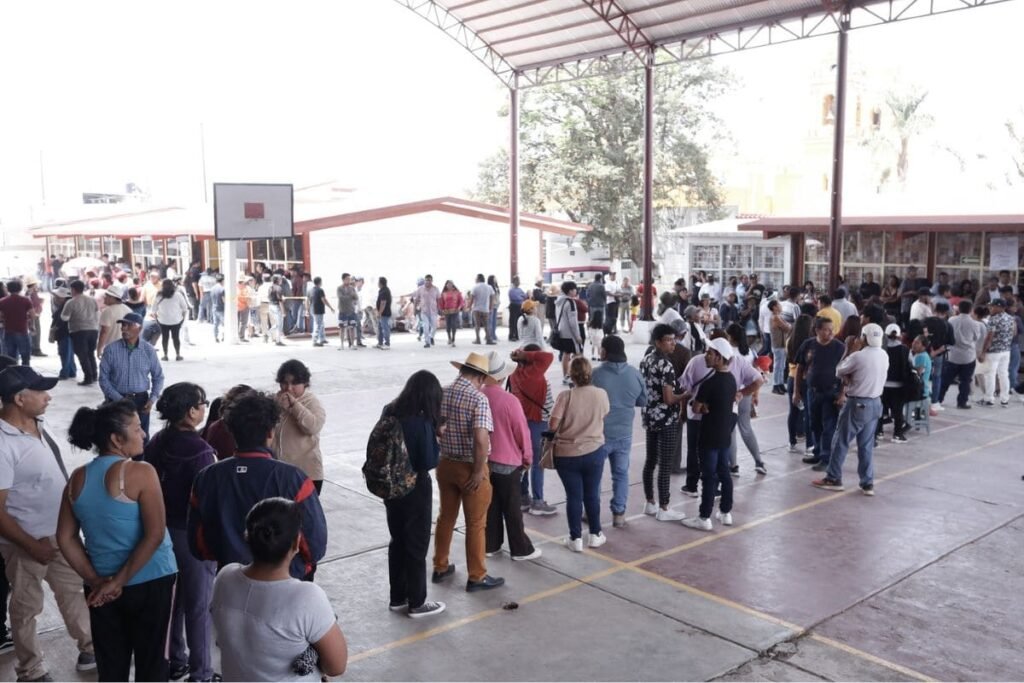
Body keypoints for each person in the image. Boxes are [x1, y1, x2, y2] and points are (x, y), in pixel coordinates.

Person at [57, 400, 177, 681]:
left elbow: (65, 537)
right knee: (153, 662)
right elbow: (155, 533)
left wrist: (97, 580)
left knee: (111, 664)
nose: (144, 434)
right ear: (116, 438)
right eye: (137, 428)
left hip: (101, 587)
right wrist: (118, 582)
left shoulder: (77, 478)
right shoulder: (141, 472)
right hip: (151, 580)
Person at [0, 367, 96, 681]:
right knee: (26, 607)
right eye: (41, 392)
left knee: (72, 593)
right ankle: (31, 669)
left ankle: (89, 647)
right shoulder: (2, 444)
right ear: (19, 398)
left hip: (60, 536)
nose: (49, 397)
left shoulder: (38, 425)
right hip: (26, 541)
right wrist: (31, 545)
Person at [188, 392, 328, 581]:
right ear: (271, 432)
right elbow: (315, 546)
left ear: (232, 432)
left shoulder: (207, 478)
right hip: (284, 580)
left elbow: (199, 545)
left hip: (232, 581)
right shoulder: (294, 479)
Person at [210, 498, 347, 681]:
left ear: (247, 537)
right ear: (296, 543)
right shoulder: (306, 597)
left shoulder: (224, 578)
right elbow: (336, 666)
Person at [142, 383, 217, 682]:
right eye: (202, 404)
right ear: (190, 412)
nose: (204, 409)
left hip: (160, 534)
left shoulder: (158, 441)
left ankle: (176, 659)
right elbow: (209, 502)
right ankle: (202, 673)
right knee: (198, 607)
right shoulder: (201, 452)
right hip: (191, 536)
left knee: (174, 602)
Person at [432, 353, 505, 592]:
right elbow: (481, 440)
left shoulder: (442, 392)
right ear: (481, 377)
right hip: (469, 467)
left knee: (446, 517)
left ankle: (440, 566)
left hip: (445, 464)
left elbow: (436, 428)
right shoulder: (478, 399)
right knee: (475, 523)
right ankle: (477, 576)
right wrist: (477, 472)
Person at [380, 371, 446, 618]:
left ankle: (397, 597)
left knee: (397, 541)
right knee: (417, 545)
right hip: (414, 489)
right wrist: (436, 439)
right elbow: (427, 461)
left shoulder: (390, 410)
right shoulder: (420, 422)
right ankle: (418, 602)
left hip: (390, 487)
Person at [814, 324, 889, 495]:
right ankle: (867, 483)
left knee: (840, 441)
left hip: (857, 403)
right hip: (875, 403)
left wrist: (849, 349)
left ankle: (833, 478)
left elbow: (839, 369)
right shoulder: (884, 355)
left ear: (863, 338)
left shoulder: (858, 356)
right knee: (866, 445)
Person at [480, 353, 540, 561]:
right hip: (508, 463)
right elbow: (521, 433)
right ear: (502, 377)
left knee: (491, 506)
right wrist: (528, 458)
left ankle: (491, 544)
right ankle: (521, 549)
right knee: (512, 508)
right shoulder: (509, 401)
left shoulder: (477, 395)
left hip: (484, 462)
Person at [550, 357, 609, 551]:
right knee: (592, 494)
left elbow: (552, 425)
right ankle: (595, 534)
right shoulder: (601, 394)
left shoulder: (565, 396)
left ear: (571, 374)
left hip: (566, 453)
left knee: (573, 496)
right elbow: (604, 414)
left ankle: (575, 539)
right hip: (594, 450)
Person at [681, 338, 738, 532]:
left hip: (708, 434)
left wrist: (704, 406)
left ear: (720, 358)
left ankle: (704, 516)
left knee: (708, 476)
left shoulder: (710, 383)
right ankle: (725, 511)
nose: (706, 356)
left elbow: (696, 408)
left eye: (710, 353)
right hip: (724, 435)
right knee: (724, 472)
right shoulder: (731, 380)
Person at [591, 336, 646, 527]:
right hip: (624, 433)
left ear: (605, 352)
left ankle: (591, 513)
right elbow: (643, 401)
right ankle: (619, 514)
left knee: (594, 476)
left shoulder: (595, 375)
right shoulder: (634, 374)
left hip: (599, 434)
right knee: (621, 473)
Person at [639, 324, 688, 521]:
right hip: (666, 418)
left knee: (650, 460)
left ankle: (650, 502)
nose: (673, 343)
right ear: (658, 342)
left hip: (650, 415)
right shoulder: (665, 365)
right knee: (665, 464)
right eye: (668, 340)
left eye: (674, 339)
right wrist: (685, 394)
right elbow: (669, 398)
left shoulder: (646, 360)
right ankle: (665, 508)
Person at [99, 313, 164, 441]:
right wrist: (119, 399)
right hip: (116, 400)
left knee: (141, 438)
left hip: (141, 401)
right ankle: (120, 461)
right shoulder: (111, 350)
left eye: (128, 325)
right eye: (123, 325)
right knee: (117, 438)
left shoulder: (148, 350)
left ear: (139, 329)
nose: (124, 328)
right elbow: (103, 379)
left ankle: (139, 461)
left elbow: (158, 377)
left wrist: (152, 399)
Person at [509, 345, 557, 516]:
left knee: (523, 462)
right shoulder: (535, 374)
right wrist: (525, 354)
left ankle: (523, 497)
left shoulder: (514, 376)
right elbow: (548, 356)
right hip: (537, 423)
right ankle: (538, 501)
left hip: (519, 424)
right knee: (538, 463)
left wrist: (522, 355)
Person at [793, 316, 845, 471]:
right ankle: (817, 451)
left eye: (832, 330)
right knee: (813, 423)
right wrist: (796, 391)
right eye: (826, 330)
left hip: (831, 393)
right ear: (817, 330)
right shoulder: (808, 345)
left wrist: (842, 393)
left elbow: (846, 373)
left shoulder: (839, 347)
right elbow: (800, 368)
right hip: (812, 392)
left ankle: (826, 457)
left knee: (829, 426)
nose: (830, 333)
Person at [273, 360, 327, 494]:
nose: (288, 388)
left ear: (305, 383)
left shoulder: (312, 402)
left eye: (294, 383)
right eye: (284, 383)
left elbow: (313, 427)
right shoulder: (275, 400)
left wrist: (294, 406)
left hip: (306, 474)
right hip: (279, 472)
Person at [724, 323, 767, 476]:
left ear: (731, 337)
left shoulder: (727, 352)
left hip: (730, 394)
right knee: (746, 428)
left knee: (730, 431)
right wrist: (755, 394)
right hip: (746, 393)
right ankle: (759, 461)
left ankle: (733, 465)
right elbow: (757, 374)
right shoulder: (750, 352)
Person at [940, 300, 986, 409]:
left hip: (952, 355)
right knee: (965, 381)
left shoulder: (951, 320)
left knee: (946, 379)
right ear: (971, 310)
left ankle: (938, 399)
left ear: (959, 309)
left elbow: (948, 334)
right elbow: (976, 338)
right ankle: (962, 402)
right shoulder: (976, 324)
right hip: (968, 356)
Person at [877, 324, 912, 443]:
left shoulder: (881, 349)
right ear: (899, 336)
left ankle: (879, 432)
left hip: (882, 385)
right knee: (897, 411)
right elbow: (910, 365)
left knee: (881, 409)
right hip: (899, 386)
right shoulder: (905, 350)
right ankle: (897, 434)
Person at [61, 280, 100, 386]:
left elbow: (64, 318)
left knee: (82, 355)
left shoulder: (71, 302)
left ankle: (88, 378)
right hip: (93, 330)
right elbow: (97, 313)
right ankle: (94, 375)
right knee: (90, 354)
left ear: (73, 289)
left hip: (78, 331)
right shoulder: (92, 300)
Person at [978, 298, 1015, 407]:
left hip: (993, 352)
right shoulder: (1010, 318)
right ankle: (1005, 399)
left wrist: (983, 352)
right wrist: (1005, 342)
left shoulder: (993, 319)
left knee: (990, 374)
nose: (990, 308)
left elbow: (989, 337)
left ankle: (989, 399)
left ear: (1000, 307)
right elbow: (1014, 332)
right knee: (1004, 374)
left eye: (993, 306)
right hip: (1006, 351)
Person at [552, 281, 584, 384]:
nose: (576, 291)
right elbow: (573, 322)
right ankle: (574, 376)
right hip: (571, 335)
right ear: (570, 291)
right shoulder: (570, 302)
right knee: (578, 355)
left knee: (566, 354)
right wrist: (577, 336)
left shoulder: (559, 302)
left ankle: (566, 376)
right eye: (575, 289)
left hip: (562, 332)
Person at [0, 280, 37, 366]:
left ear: (8, 289)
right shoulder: (25, 300)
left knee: (11, 358)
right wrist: (32, 325)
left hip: (8, 331)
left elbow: (0, 316)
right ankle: (26, 375)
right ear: (20, 289)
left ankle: (14, 376)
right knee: (25, 357)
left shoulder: (2, 301)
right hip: (22, 330)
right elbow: (33, 315)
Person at [152, 278, 189, 362]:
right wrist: (182, 318)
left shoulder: (158, 295)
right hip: (176, 320)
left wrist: (157, 319)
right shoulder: (178, 295)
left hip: (162, 320)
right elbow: (184, 308)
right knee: (176, 337)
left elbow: (153, 310)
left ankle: (165, 355)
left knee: (165, 338)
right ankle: (178, 355)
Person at [96, 284, 131, 358]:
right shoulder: (128, 310)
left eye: (106, 296)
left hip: (111, 348)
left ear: (111, 298)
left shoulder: (108, 311)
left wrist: (99, 350)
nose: (104, 298)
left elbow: (104, 332)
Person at [769, 300, 791, 394]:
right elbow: (787, 328)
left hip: (781, 343)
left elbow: (787, 326)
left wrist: (788, 325)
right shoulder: (775, 317)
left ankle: (780, 383)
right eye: (779, 305)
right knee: (778, 365)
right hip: (778, 344)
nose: (781, 307)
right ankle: (776, 385)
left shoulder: (778, 317)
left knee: (782, 365)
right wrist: (788, 325)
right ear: (774, 307)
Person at [414, 275, 442, 348]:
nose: (427, 281)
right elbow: (416, 299)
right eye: (426, 280)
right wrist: (415, 309)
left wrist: (440, 309)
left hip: (433, 311)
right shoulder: (420, 289)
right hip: (424, 311)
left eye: (429, 280)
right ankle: (427, 342)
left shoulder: (435, 289)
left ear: (432, 281)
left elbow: (439, 299)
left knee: (434, 326)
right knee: (425, 327)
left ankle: (431, 336)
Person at [468, 274, 495, 345]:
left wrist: (469, 307)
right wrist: (491, 307)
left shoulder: (475, 287)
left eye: (476, 278)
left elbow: (471, 299)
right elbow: (492, 298)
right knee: (486, 325)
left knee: (477, 325)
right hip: (485, 309)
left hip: (476, 309)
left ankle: (478, 339)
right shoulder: (489, 287)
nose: (475, 280)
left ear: (478, 279)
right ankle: (488, 339)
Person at [337, 273, 360, 351]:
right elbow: (341, 298)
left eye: (349, 279)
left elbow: (356, 297)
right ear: (343, 279)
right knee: (342, 328)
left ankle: (352, 344)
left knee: (352, 328)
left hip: (351, 310)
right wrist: (350, 296)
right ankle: (341, 344)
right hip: (342, 310)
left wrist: (352, 295)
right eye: (347, 279)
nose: (349, 280)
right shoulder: (339, 288)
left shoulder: (352, 288)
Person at [308, 276, 333, 347]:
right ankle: (315, 340)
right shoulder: (320, 290)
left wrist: (307, 310)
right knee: (318, 325)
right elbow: (324, 300)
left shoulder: (310, 290)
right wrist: (330, 307)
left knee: (321, 323)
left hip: (313, 309)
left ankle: (322, 338)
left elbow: (308, 301)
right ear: (320, 282)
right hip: (318, 310)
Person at [440, 280, 464, 347]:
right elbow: (441, 302)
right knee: (448, 325)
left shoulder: (457, 292)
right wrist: (442, 309)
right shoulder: (443, 293)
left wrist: (459, 307)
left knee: (453, 324)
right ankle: (449, 338)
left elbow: (461, 301)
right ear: (446, 285)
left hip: (455, 311)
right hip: (447, 311)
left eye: (451, 284)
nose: (449, 285)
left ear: (453, 285)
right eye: (448, 284)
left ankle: (453, 339)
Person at [375, 276, 393, 350]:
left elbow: (383, 303)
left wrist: (379, 312)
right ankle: (380, 342)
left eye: (378, 282)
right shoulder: (383, 290)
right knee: (380, 328)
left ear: (380, 283)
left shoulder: (384, 291)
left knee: (385, 328)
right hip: (382, 313)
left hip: (384, 313)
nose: (377, 284)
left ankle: (387, 343)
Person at [507, 276, 527, 342]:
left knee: (519, 321)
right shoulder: (511, 290)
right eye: (517, 281)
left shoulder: (520, 289)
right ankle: (512, 335)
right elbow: (514, 298)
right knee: (513, 322)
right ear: (514, 282)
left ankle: (517, 335)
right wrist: (521, 297)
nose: (518, 282)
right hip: (514, 306)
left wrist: (521, 297)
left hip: (520, 307)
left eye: (519, 281)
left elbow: (525, 296)